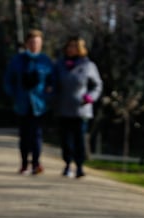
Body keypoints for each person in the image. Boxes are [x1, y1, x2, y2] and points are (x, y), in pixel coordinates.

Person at [4, 29, 54, 175]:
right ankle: (25, 163)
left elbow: (53, 82)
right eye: (32, 42)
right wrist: (14, 94)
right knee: (24, 135)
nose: (34, 45)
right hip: (22, 103)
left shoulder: (46, 61)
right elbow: (8, 80)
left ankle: (37, 163)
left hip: (39, 104)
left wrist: (48, 95)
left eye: (37, 43)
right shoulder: (17, 60)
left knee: (37, 135)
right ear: (27, 43)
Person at [54, 36, 103, 178]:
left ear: (80, 48)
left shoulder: (88, 66)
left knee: (79, 138)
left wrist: (90, 97)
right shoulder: (59, 65)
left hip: (81, 109)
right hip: (63, 108)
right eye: (69, 46)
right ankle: (67, 164)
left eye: (74, 46)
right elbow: (54, 83)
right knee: (65, 139)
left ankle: (80, 166)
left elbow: (97, 85)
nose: (71, 49)